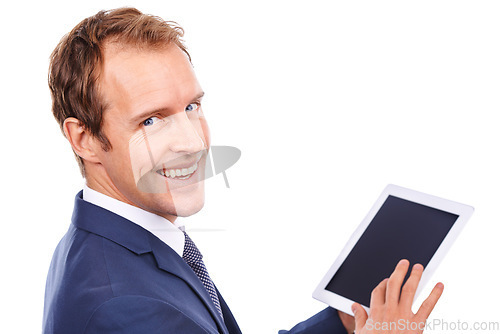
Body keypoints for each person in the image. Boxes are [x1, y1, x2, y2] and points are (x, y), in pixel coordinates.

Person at [42, 7, 444, 334]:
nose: (193, 143)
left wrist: (342, 322)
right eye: (151, 120)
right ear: (85, 140)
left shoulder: (111, 239)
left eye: (191, 107)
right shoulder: (127, 307)